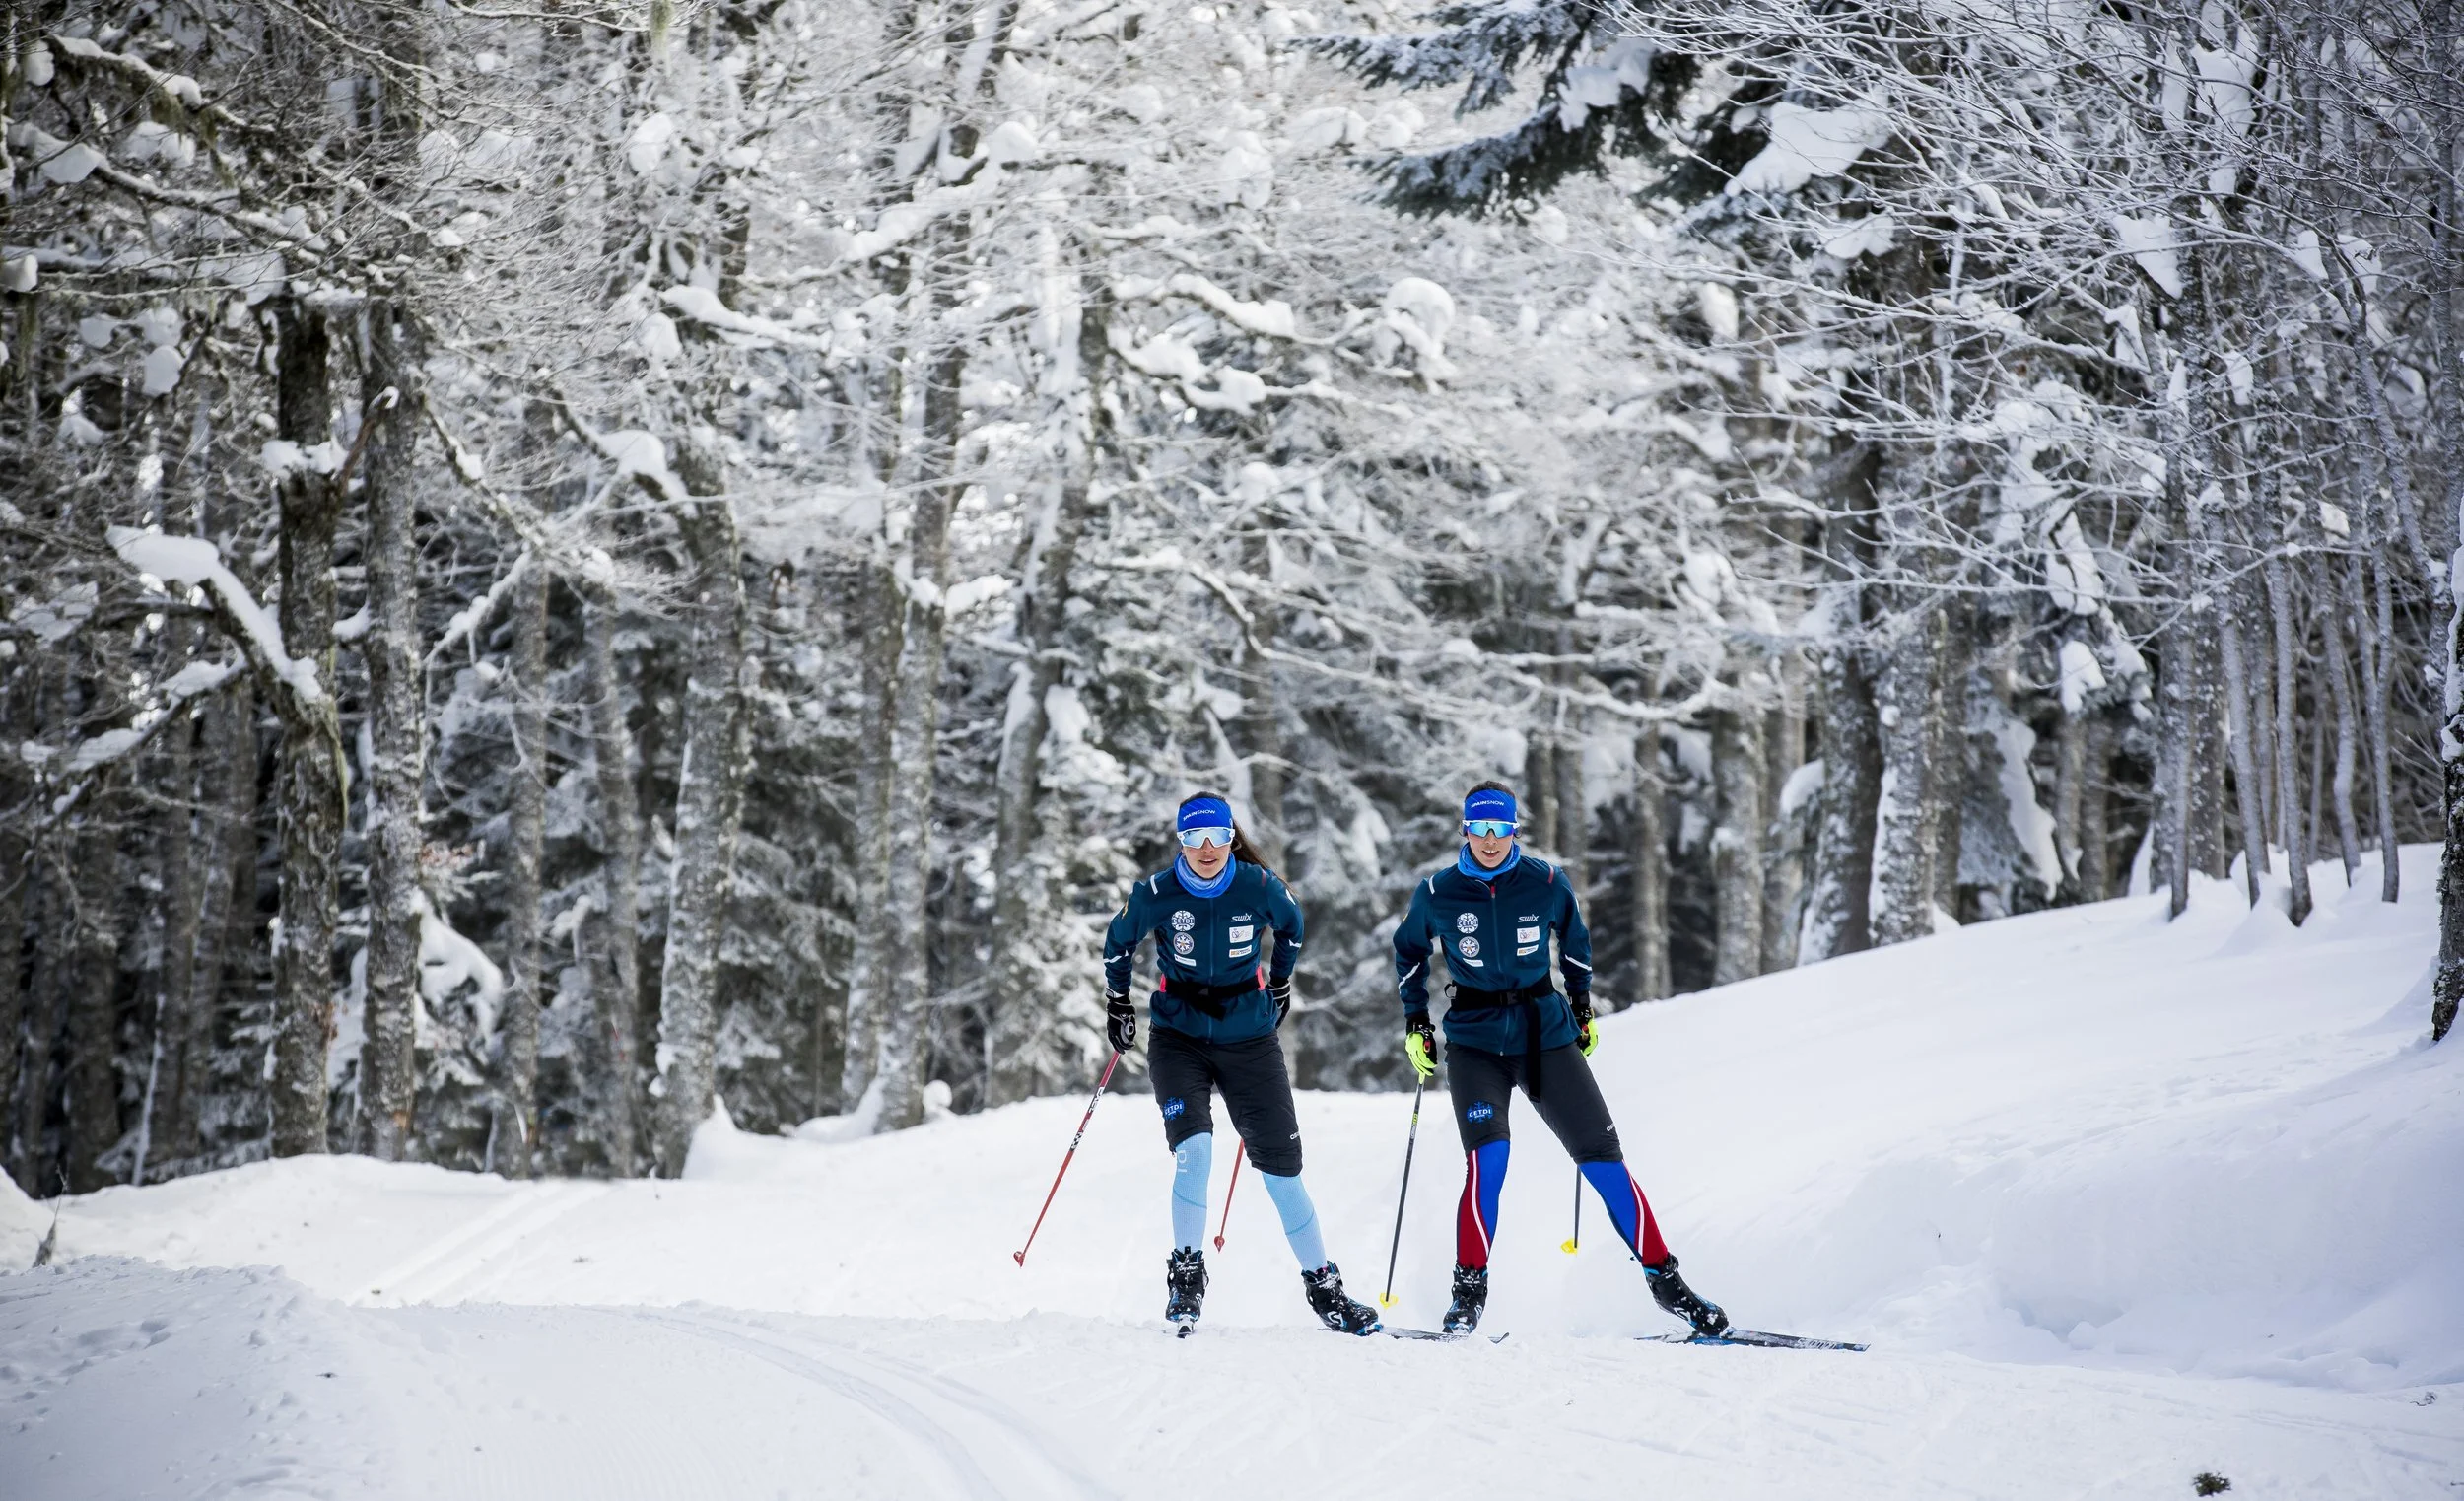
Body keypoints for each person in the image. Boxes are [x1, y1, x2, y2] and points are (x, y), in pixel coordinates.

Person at [1392, 781, 1728, 1337]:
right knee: (1488, 1165)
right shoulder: (1438, 892)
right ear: (1465, 831)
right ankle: (1467, 1295)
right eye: (1480, 828)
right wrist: (1416, 1022)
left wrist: (1582, 1006)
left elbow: (1575, 943)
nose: (1491, 839)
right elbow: (1409, 952)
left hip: (1544, 1035)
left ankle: (1670, 1286)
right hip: (1475, 1043)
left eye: (1500, 828)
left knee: (1603, 1160)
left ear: (1514, 830)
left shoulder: (1546, 882)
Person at [1103, 791, 1382, 1336]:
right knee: (1196, 1150)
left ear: (1231, 838)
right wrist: (1118, 1002)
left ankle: (1325, 1288)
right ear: (1180, 842)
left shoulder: (1258, 887)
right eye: (1193, 838)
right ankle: (1186, 1275)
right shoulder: (1157, 893)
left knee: (1282, 1171)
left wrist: (1279, 983)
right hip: (1179, 1036)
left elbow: (1294, 927)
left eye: (1215, 837)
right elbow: (1118, 943)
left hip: (1249, 1039)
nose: (1206, 849)